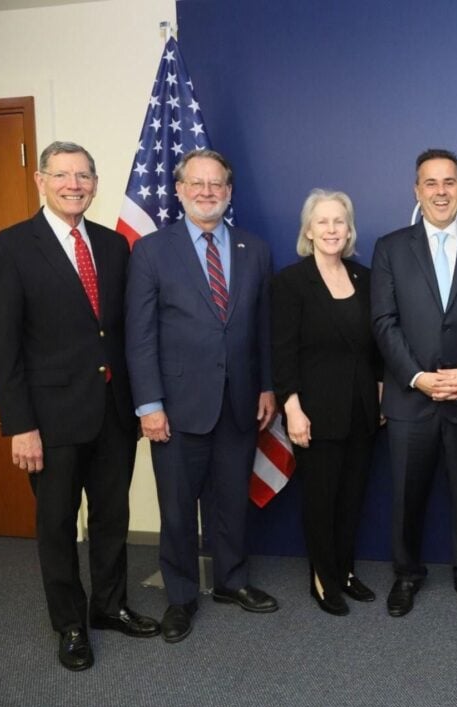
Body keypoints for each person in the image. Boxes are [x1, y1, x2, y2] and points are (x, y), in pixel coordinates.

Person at [0, 141, 159, 671]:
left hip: (113, 412)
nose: (73, 185)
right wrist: (20, 425)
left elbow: (120, 331)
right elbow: (2, 345)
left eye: (83, 176)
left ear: (95, 185)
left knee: (112, 517)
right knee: (57, 524)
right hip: (50, 421)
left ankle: (109, 606)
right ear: (40, 181)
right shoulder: (9, 247)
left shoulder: (113, 245)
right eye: (61, 175)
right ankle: (70, 624)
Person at [126, 148, 277, 643]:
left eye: (216, 184)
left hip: (239, 401)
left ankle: (232, 582)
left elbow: (262, 328)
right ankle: (181, 596)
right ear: (179, 189)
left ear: (229, 192)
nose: (207, 192)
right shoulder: (151, 250)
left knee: (231, 502)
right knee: (176, 510)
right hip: (176, 407)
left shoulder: (255, 249)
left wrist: (267, 385)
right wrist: (149, 405)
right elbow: (140, 335)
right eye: (197, 183)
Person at [371, 148, 457, 617]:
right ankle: (407, 575)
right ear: (417, 191)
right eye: (431, 182)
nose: (441, 191)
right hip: (411, 399)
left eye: (449, 182)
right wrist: (418, 377)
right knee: (406, 497)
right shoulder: (390, 248)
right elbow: (384, 322)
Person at [271, 189, 382, 616]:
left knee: (352, 498)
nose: (332, 229)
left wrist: (379, 389)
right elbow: (283, 352)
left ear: (349, 230)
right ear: (308, 231)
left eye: (340, 221)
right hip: (314, 413)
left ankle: (345, 571)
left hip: (362, 410)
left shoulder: (365, 278)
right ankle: (322, 578)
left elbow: (375, 346)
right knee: (321, 500)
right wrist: (292, 409)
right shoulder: (290, 282)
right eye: (323, 221)